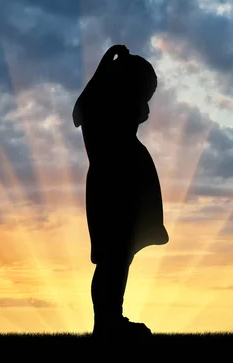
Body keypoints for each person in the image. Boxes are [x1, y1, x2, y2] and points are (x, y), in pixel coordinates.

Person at [72, 44, 169, 340]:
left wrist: (109, 64)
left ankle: (111, 318)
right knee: (113, 258)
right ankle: (108, 321)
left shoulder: (102, 113)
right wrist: (107, 64)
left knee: (119, 257)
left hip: (124, 189)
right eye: (145, 96)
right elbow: (82, 108)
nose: (148, 109)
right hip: (114, 191)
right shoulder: (99, 115)